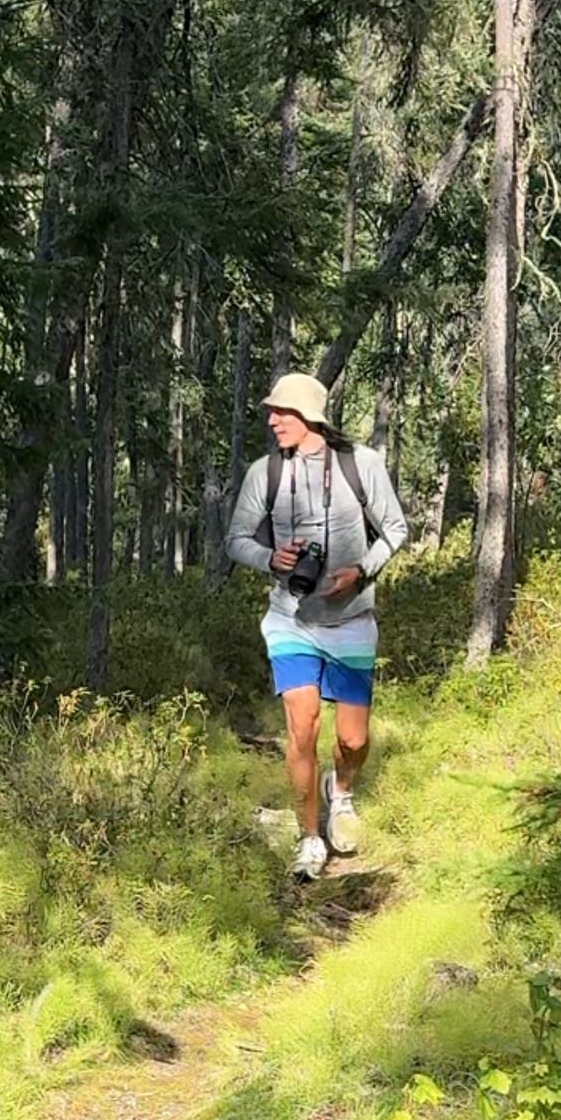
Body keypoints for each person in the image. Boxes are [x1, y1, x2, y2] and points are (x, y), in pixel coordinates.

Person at [226, 369, 407, 882]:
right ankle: (309, 838)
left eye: (281, 413)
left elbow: (395, 528)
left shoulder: (361, 465)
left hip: (351, 621)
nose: (272, 421)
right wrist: (270, 559)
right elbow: (236, 540)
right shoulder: (265, 473)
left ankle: (340, 791)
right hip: (290, 621)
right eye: (271, 413)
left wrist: (362, 569)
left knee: (353, 740)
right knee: (301, 727)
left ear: (308, 416)